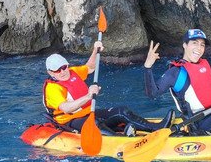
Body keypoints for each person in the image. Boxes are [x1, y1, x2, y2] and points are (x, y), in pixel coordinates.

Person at [42, 41, 175, 135]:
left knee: (121, 111)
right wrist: (88, 96)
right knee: (94, 124)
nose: (63, 71)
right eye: (58, 70)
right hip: (70, 121)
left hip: (88, 113)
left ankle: (157, 128)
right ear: (51, 72)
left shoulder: (73, 72)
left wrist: (95, 52)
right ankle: (123, 139)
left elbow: (90, 67)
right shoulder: (53, 88)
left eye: (64, 67)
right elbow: (66, 108)